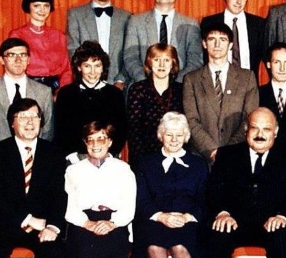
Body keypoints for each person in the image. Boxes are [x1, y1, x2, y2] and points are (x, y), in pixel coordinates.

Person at [207, 108, 286, 258]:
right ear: (246, 130)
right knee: (219, 233)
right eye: (254, 128)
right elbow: (213, 190)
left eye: (266, 129)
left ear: (275, 132)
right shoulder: (227, 155)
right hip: (235, 222)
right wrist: (223, 213)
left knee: (282, 237)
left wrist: (282, 216)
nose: (260, 135)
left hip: (274, 223)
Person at [0, 99, 66, 258]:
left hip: (42, 225)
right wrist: (28, 219)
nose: (30, 121)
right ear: (12, 123)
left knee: (55, 253)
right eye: (23, 117)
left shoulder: (54, 153)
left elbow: (59, 195)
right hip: (2, 224)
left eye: (35, 116)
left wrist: (52, 227)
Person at [0, 38, 54, 193]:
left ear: (29, 59)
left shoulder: (43, 92)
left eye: (22, 55)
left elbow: (47, 129)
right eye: (11, 55)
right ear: (1, 59)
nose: (18, 59)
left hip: (33, 169)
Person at [134, 112, 208, 258]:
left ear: (185, 137)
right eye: (169, 135)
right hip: (155, 221)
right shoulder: (145, 163)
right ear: (161, 136)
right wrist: (161, 216)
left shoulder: (198, 164)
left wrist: (187, 217)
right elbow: (141, 199)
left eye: (179, 135)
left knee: (180, 249)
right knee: (155, 249)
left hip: (187, 222)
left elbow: (204, 199)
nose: (174, 140)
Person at [182, 23, 259, 161]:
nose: (217, 44)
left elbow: (249, 118)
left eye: (222, 39)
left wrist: (227, 152)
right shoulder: (191, 79)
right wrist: (212, 150)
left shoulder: (247, 77)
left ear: (230, 45)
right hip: (202, 156)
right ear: (204, 44)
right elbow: (191, 120)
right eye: (212, 39)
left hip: (236, 155)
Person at [64, 121, 136, 258]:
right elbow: (69, 206)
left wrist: (112, 223)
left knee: (111, 250)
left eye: (101, 139)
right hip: (83, 222)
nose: (95, 145)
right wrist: (87, 223)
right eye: (90, 140)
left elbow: (129, 206)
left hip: (114, 221)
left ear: (109, 142)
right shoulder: (73, 170)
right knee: (84, 251)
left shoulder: (123, 169)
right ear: (85, 143)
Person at [123, 0, 202, 85]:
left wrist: (176, 83)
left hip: (179, 88)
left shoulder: (190, 24)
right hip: (143, 87)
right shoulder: (135, 21)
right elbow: (130, 57)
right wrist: (146, 82)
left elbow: (195, 60)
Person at [66, 0, 131, 90]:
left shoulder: (127, 17)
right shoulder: (75, 15)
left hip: (118, 85)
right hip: (85, 84)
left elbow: (129, 53)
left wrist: (120, 79)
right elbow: (73, 50)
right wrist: (86, 78)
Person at [55, 41, 127, 157]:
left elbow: (121, 130)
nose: (93, 72)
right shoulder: (66, 93)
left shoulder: (114, 94)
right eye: (87, 66)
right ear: (79, 67)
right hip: (75, 156)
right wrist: (73, 156)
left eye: (97, 66)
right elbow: (61, 130)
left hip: (107, 156)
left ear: (103, 67)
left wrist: (110, 154)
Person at [127, 43, 184, 169]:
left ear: (173, 63)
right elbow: (134, 129)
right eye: (157, 60)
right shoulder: (138, 89)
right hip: (145, 156)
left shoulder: (181, 90)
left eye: (166, 60)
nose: (162, 65)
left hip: (176, 154)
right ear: (149, 63)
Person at [9, 0, 72, 92]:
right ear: (28, 6)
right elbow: (13, 68)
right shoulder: (17, 35)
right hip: (28, 91)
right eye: (37, 5)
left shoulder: (60, 36)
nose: (42, 10)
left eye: (46, 5)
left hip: (56, 92)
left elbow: (67, 69)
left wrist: (62, 92)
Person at [201, 0, 266, 77]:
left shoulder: (259, 24)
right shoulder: (209, 22)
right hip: (217, 83)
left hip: (249, 85)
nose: (239, 1)